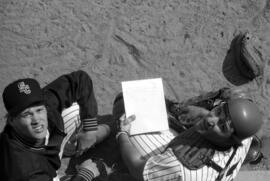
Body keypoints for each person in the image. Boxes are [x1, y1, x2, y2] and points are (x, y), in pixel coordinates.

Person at [113, 87, 263, 181]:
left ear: (235, 140)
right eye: (218, 112)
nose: (211, 120)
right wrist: (206, 109)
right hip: (220, 166)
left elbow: (137, 168)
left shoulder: (181, 166)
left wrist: (122, 134)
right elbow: (239, 101)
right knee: (227, 96)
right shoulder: (245, 136)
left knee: (123, 102)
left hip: (186, 172)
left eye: (222, 126)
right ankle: (175, 111)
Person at [0, 70, 111, 181]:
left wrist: (90, 130)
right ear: (11, 120)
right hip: (41, 173)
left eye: (39, 110)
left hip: (47, 153)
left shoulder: (47, 104)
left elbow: (79, 80)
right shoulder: (23, 168)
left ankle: (72, 146)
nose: (36, 120)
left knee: (74, 108)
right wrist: (86, 173)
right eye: (26, 114)